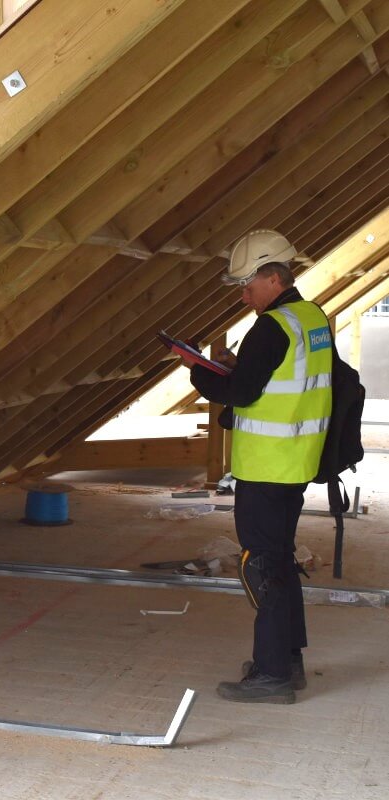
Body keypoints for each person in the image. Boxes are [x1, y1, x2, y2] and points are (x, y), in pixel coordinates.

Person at [190, 229, 332, 704]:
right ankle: (288, 662)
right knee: (282, 561)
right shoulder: (311, 317)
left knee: (262, 566)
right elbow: (276, 378)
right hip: (295, 462)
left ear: (273, 277)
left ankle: (271, 675)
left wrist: (203, 374)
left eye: (247, 284)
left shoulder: (271, 326)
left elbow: (244, 392)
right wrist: (241, 364)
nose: (243, 294)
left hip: (267, 466)